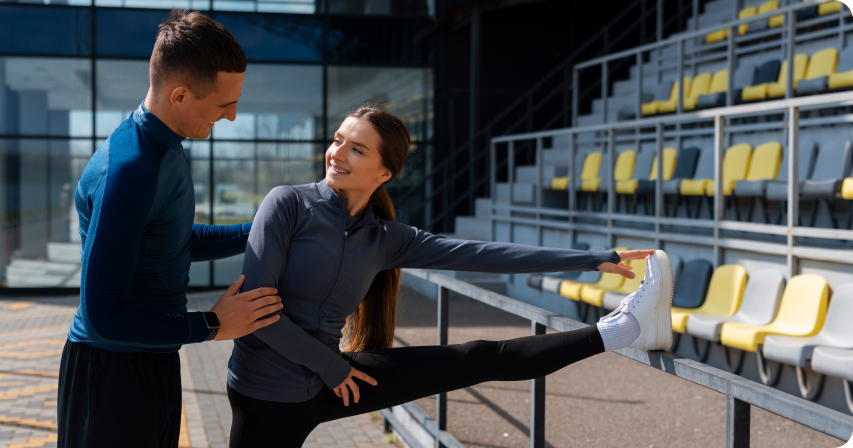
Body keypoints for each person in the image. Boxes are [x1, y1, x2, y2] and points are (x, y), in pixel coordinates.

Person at [225, 106, 674, 447]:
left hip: (333, 383)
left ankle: (624, 329)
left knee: (477, 355)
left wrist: (592, 258)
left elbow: (483, 254)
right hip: (270, 393)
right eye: (338, 140)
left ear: (384, 172)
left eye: (355, 148)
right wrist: (332, 368)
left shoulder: (385, 238)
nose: (336, 153)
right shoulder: (287, 204)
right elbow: (256, 315)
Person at [58, 10, 283, 448]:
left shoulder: (165, 147)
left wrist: (269, 224)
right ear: (180, 95)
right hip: (111, 376)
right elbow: (104, 314)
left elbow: (169, 241)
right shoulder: (132, 169)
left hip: (151, 364)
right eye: (224, 103)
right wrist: (212, 324)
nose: (233, 116)